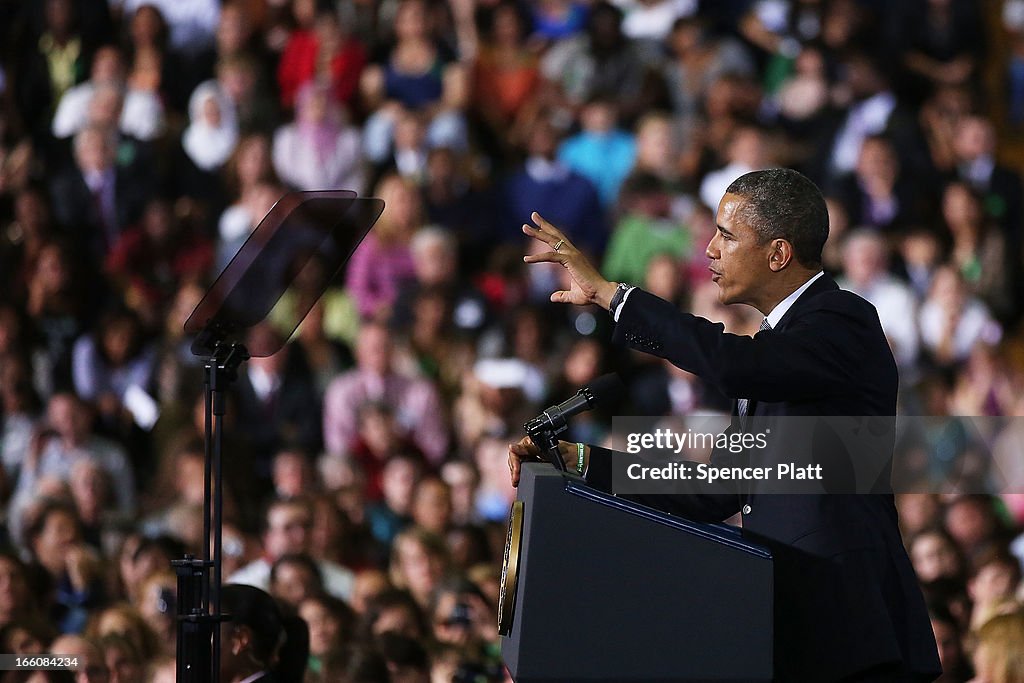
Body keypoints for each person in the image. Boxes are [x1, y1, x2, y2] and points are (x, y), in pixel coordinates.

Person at [507, 169, 941, 682]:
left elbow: (735, 363)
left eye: (726, 235)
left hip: (850, 625)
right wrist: (578, 461)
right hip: (797, 631)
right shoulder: (778, 349)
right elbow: (715, 490)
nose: (709, 249)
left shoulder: (842, 321)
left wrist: (613, 295)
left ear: (778, 254)